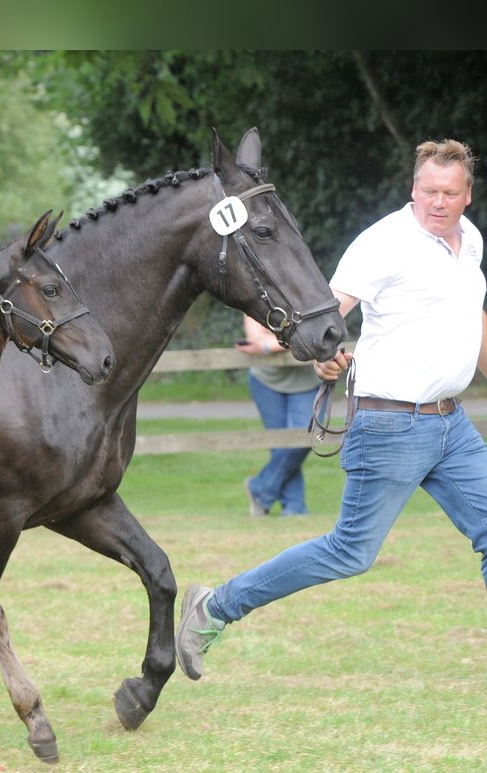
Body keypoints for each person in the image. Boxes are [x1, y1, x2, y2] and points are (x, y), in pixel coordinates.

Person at [177, 138, 487, 680]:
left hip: (450, 424)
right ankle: (215, 607)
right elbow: (324, 313)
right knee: (350, 552)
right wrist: (323, 357)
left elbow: (472, 321)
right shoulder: (383, 244)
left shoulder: (472, 242)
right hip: (390, 422)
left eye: (450, 193)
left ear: (467, 195)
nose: (438, 202)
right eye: (428, 191)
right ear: (413, 189)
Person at [237, 315, 322, 516]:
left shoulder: (306, 300)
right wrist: (289, 340)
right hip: (266, 382)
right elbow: (255, 338)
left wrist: (268, 344)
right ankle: (294, 508)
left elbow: (310, 337)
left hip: (307, 383)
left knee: (302, 439)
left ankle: (259, 488)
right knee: (281, 447)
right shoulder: (260, 298)